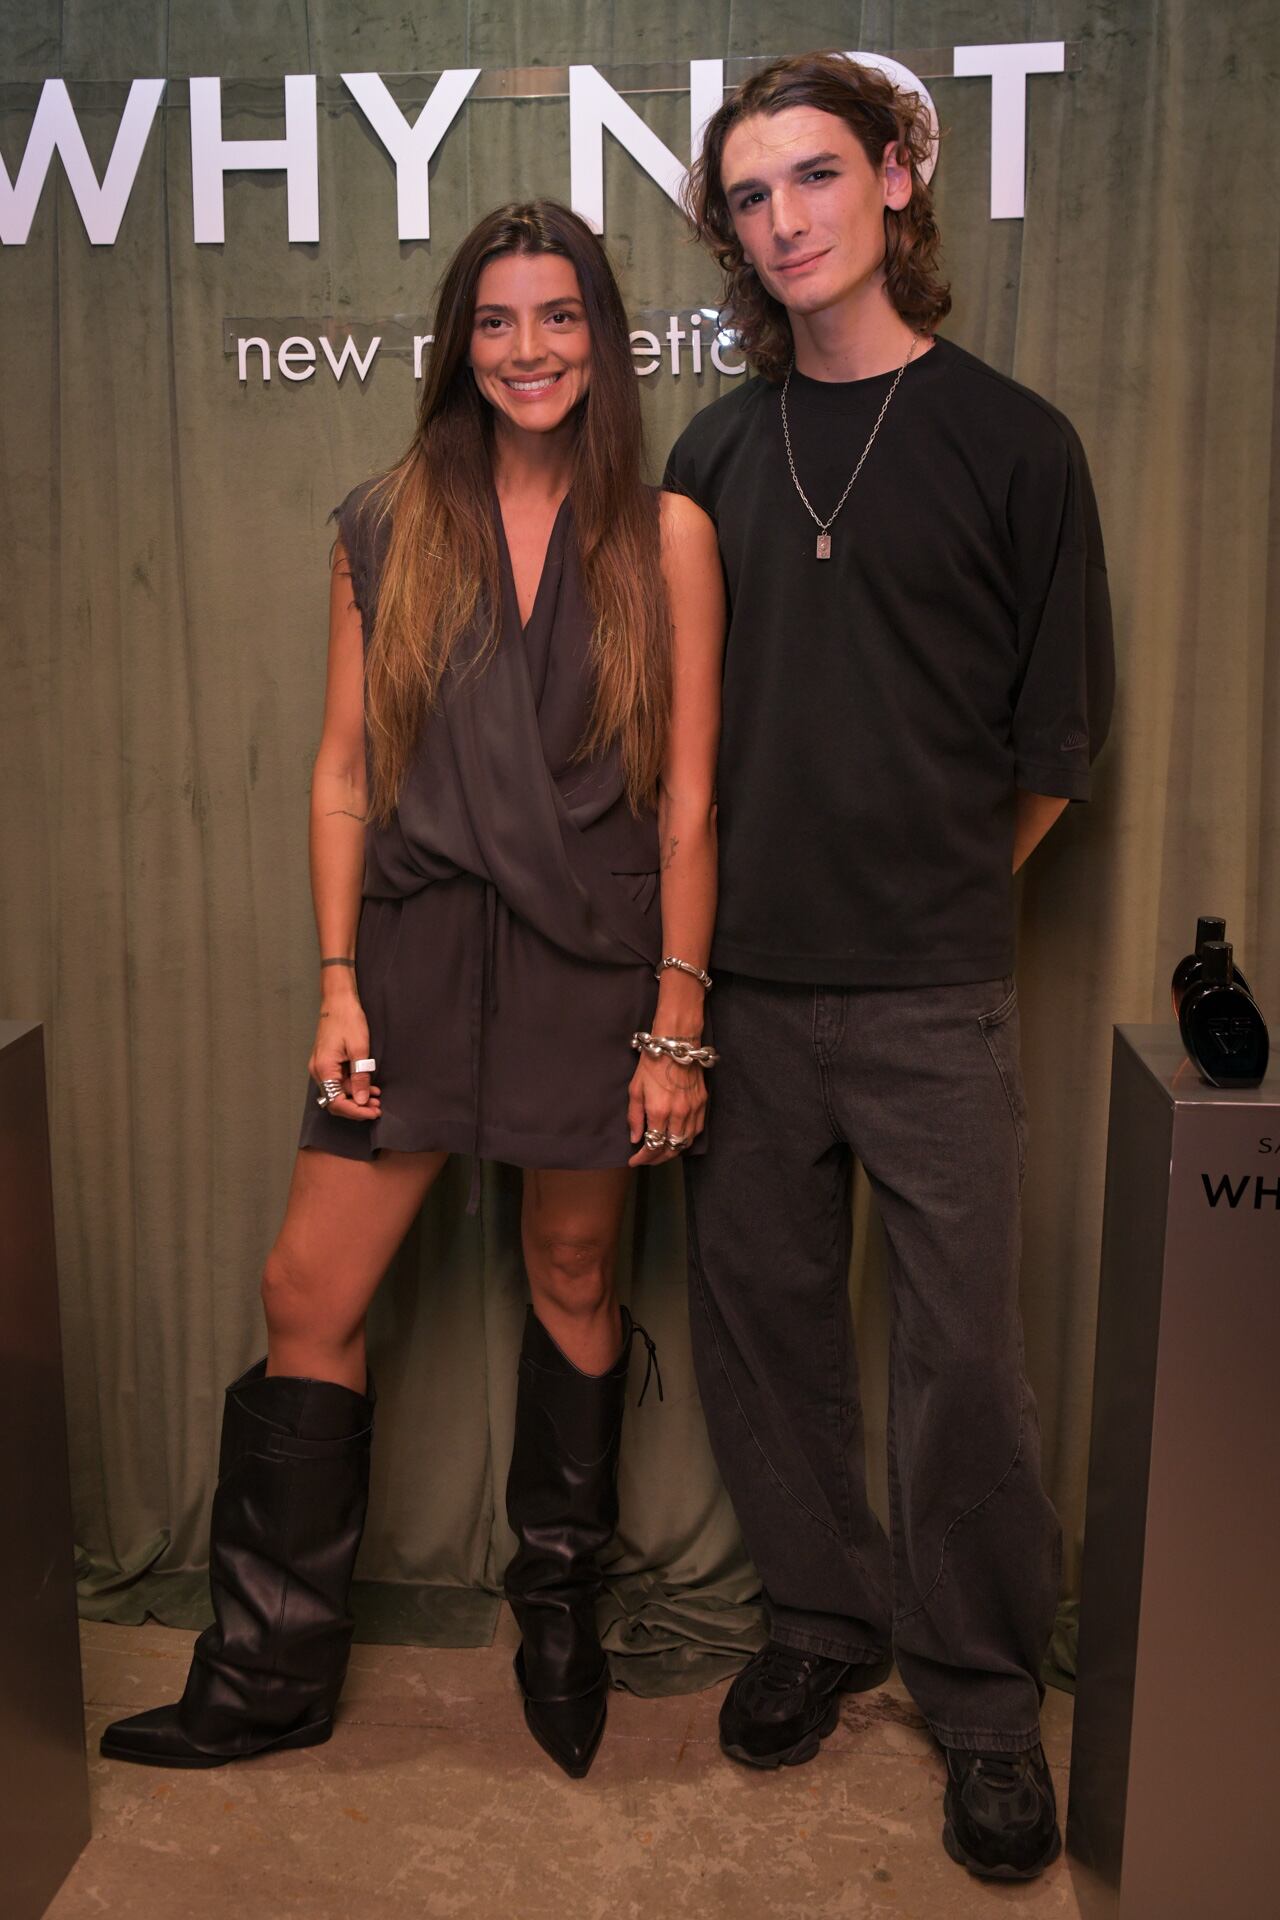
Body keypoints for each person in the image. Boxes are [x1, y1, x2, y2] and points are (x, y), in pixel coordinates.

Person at [99, 200, 724, 1782]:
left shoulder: (666, 536)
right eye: (497, 321)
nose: (529, 349)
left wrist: (677, 1025)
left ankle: (559, 1617)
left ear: (604, 339)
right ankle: (268, 1672)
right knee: (307, 1290)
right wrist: (337, 984)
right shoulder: (385, 523)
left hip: (592, 963)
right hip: (417, 952)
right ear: (460, 345)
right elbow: (341, 773)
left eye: (560, 316)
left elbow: (688, 805)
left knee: (573, 1273)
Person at [666, 53, 1113, 1880]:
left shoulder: (1017, 443)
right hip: (742, 996)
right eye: (752, 195)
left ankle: (987, 1702)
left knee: (965, 1364)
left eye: (817, 176)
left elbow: (1052, 750)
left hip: (935, 993)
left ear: (896, 182)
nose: (787, 219)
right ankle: (819, 1621)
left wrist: (924, 897)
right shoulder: (708, 457)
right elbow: (675, 751)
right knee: (765, 1334)